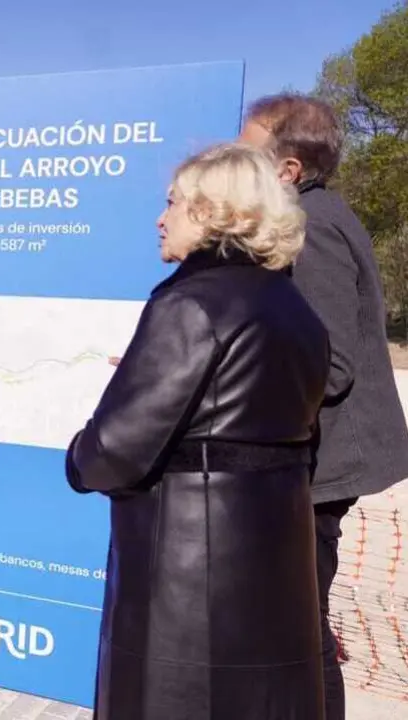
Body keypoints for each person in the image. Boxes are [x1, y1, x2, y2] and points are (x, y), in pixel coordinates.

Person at [66, 143, 343, 719]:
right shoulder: (296, 310)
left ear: (213, 211)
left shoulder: (189, 306)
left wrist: (77, 455)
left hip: (187, 589)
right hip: (275, 571)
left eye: (172, 203)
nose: (159, 218)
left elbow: (111, 452)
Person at [238, 92, 408, 720]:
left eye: (248, 152)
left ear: (287, 171)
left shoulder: (312, 226)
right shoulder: (316, 214)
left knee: (298, 629)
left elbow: (326, 364)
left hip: (319, 467)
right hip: (317, 459)